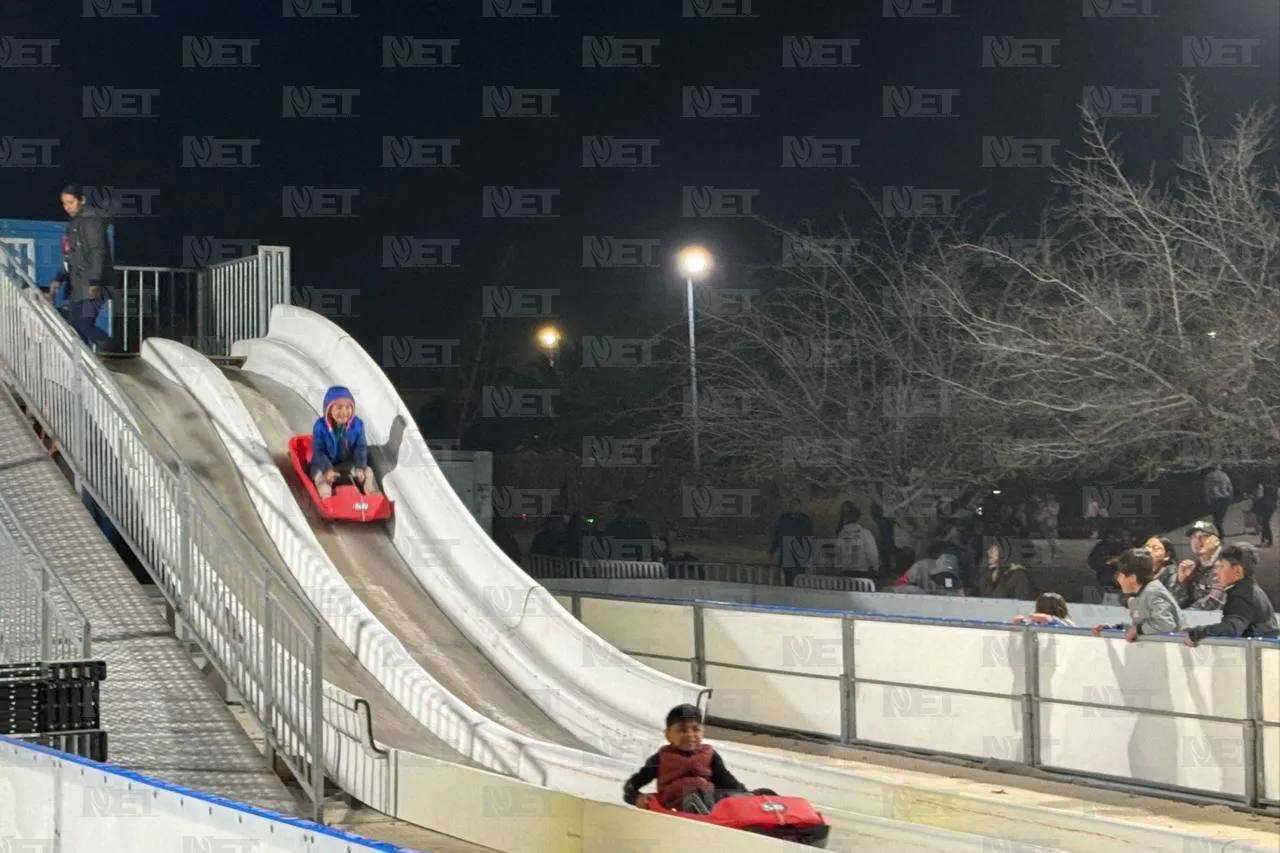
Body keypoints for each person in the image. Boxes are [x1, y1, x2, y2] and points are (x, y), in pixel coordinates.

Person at [623, 704, 756, 813]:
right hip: (676, 804)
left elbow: (727, 780)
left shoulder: (709, 755)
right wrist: (636, 798)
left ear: (702, 732)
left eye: (695, 729)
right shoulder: (661, 759)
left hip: (708, 799)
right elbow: (631, 786)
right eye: (682, 730)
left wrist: (748, 795)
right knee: (696, 795)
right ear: (668, 735)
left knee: (762, 795)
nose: (690, 735)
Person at [47, 183, 115, 350]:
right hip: (78, 285)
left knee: (83, 325)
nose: (67, 207)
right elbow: (69, 256)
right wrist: (59, 278)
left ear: (82, 200)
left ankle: (113, 351)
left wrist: (95, 281)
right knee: (74, 327)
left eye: (71, 202)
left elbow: (97, 251)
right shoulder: (73, 225)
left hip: (94, 284)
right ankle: (87, 365)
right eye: (64, 203)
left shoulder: (91, 221)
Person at [1184, 544, 1279, 644]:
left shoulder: (1241, 595)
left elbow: (1232, 628)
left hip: (1257, 656)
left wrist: (1196, 633)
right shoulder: (1249, 590)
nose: (1217, 571)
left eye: (1222, 566)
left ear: (1237, 570)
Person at [1090, 548, 1184, 641]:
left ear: (1132, 578)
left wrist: (1137, 630)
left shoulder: (1153, 593)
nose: (1118, 580)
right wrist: (1116, 627)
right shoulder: (1139, 595)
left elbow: (1166, 624)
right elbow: (1143, 624)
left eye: (1120, 576)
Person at [310, 386, 378, 499]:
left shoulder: (357, 425)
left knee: (368, 472)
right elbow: (319, 451)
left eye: (348, 407)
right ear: (329, 409)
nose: (344, 412)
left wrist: (359, 467)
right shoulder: (320, 426)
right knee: (321, 478)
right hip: (325, 465)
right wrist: (328, 469)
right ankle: (327, 498)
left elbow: (360, 447)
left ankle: (370, 492)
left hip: (346, 464)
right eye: (339, 407)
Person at [1172, 521, 1224, 610]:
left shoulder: (1225, 566)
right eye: (1193, 537)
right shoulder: (1195, 569)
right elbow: (1178, 602)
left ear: (1216, 541)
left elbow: (1213, 604)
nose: (1197, 540)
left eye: (1204, 536)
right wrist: (1182, 581)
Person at [768, 498, 815, 586]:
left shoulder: (805, 520)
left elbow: (809, 537)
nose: (793, 507)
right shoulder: (784, 518)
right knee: (788, 576)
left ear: (800, 507)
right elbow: (778, 534)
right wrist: (772, 550)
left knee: (799, 577)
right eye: (792, 505)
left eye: (796, 505)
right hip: (787, 551)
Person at [1204, 465, 1233, 541]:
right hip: (1224, 498)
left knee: (1216, 519)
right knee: (1220, 519)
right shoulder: (1224, 475)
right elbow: (1230, 487)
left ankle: (1220, 535)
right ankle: (1220, 535)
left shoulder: (1209, 476)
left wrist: (1207, 498)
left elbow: (1207, 489)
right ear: (1219, 467)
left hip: (1215, 498)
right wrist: (1230, 497)